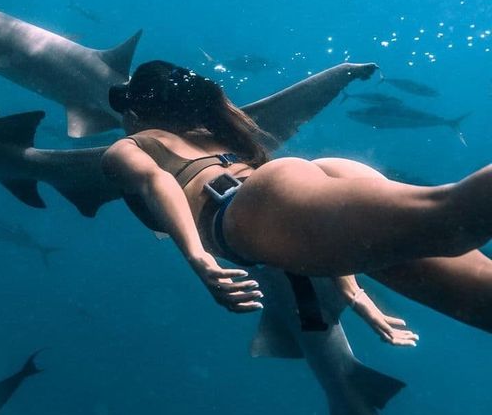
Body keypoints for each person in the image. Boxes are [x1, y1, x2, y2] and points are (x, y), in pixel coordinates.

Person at [102, 60, 492, 342]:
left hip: (254, 208)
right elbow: (304, 228)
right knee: (480, 295)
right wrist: (354, 295)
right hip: (293, 191)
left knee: (452, 213)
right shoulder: (214, 135)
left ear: (135, 112)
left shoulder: (128, 146)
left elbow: (157, 184)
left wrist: (198, 258)